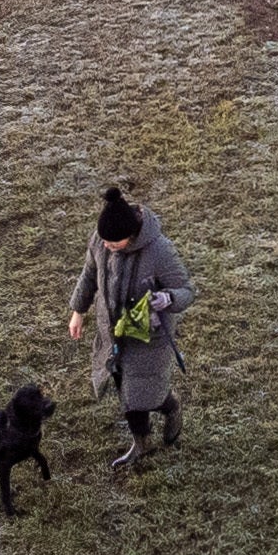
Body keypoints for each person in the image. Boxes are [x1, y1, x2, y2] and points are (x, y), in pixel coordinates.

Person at [64, 185, 196, 469]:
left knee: (141, 393)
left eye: (115, 244)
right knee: (127, 392)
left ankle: (171, 406)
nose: (108, 247)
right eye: (105, 243)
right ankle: (142, 443)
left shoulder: (160, 250)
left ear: (133, 235)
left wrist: (168, 298)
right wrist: (78, 311)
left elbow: (186, 289)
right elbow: (89, 275)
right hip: (113, 333)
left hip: (149, 337)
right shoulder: (101, 241)